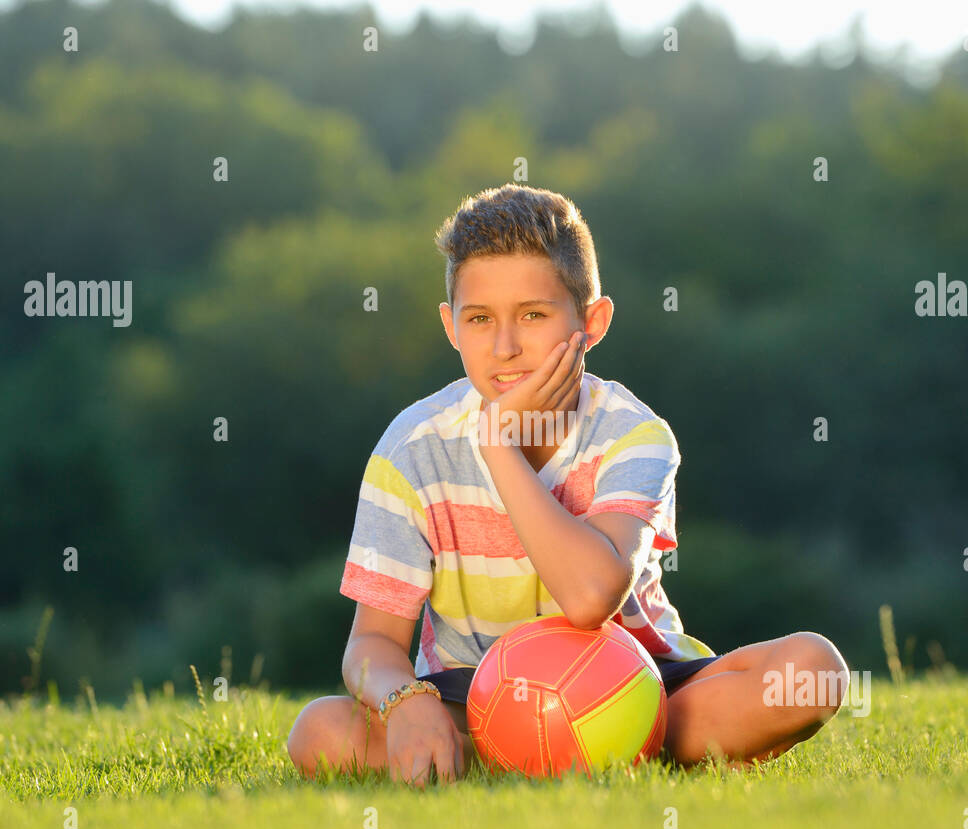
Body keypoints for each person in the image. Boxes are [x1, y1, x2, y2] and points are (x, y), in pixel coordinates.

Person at [287, 184, 849, 787]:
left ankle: (590, 748)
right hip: (473, 695)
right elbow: (371, 644)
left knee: (813, 669)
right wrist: (407, 703)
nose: (505, 347)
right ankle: (524, 752)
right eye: (480, 319)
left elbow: (589, 599)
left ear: (592, 321)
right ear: (451, 326)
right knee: (318, 733)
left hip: (637, 683)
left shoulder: (635, 436)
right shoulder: (410, 449)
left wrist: (498, 445)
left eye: (533, 314)